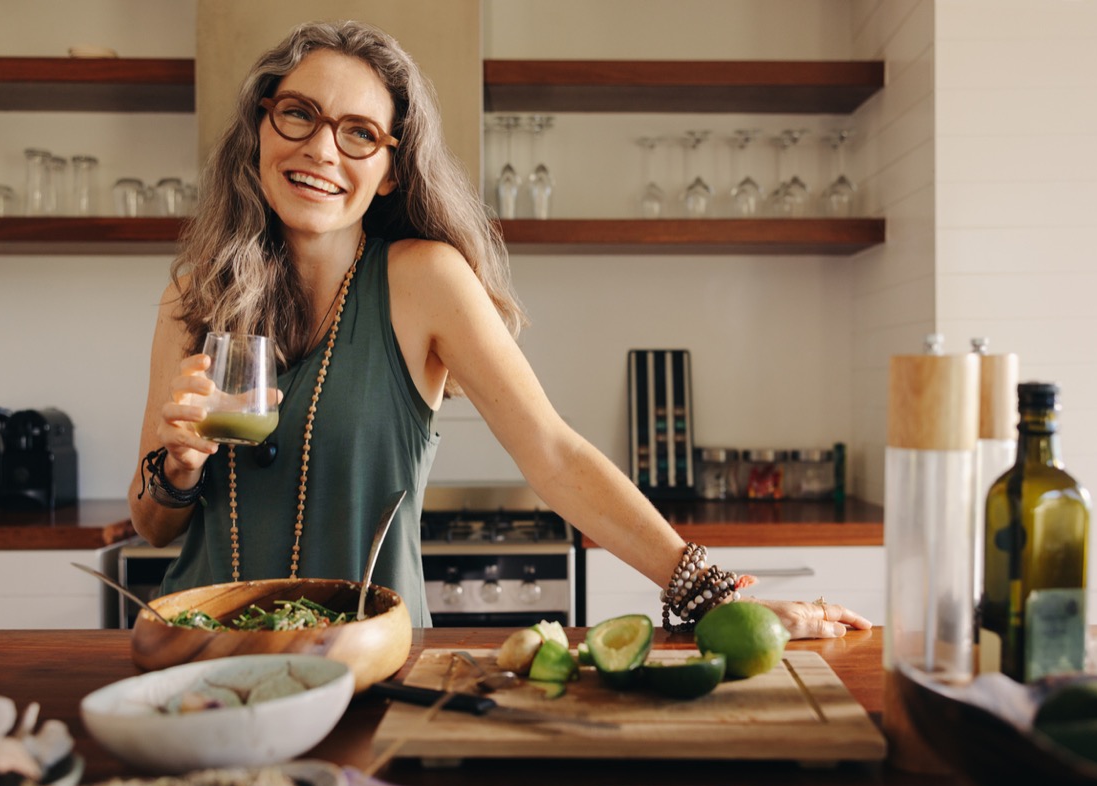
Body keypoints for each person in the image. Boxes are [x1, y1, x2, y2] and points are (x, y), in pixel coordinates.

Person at [128, 19, 871, 640]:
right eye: (299, 114)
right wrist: (177, 468)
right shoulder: (194, 295)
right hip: (197, 654)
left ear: (389, 169)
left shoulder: (424, 280)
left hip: (366, 660)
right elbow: (153, 523)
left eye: (359, 132)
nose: (322, 150)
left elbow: (554, 455)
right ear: (263, 123)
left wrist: (711, 592)